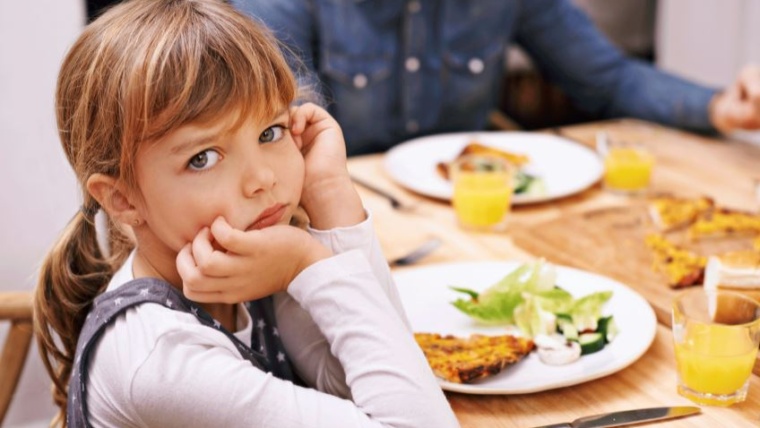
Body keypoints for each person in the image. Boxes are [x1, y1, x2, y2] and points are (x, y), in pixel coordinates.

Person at [33, 1, 459, 427]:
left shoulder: (255, 271)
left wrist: (332, 199)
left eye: (269, 132)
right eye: (203, 158)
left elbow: (381, 383)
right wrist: (307, 262)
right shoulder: (162, 360)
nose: (261, 178)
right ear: (123, 200)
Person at [234, 0, 760, 155]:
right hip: (343, 223)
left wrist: (719, 107)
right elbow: (271, 138)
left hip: (483, 210)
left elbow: (607, 79)